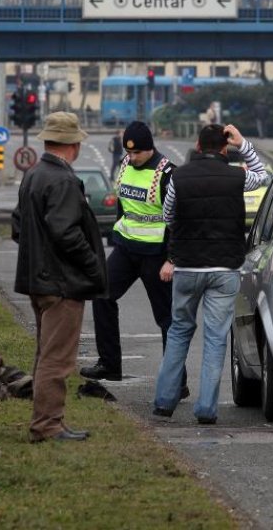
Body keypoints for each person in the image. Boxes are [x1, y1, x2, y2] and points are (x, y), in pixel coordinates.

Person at [153, 124, 269, 424]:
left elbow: (167, 215)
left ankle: (164, 402)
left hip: (187, 267)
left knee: (179, 331)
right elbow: (264, 176)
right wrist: (244, 145)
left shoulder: (179, 176)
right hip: (224, 268)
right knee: (216, 338)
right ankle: (206, 408)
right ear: (224, 148)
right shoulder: (236, 176)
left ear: (197, 145)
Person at [12, 111, 108, 443]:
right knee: (58, 359)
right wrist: (93, 265)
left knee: (46, 353)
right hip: (62, 284)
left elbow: (17, 226)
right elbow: (66, 233)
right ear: (74, 144)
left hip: (38, 281)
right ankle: (47, 426)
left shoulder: (33, 175)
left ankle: (48, 421)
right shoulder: (64, 181)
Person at [80, 121, 188, 398]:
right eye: (129, 152)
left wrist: (172, 259)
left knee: (166, 319)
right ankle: (109, 364)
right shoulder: (126, 165)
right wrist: (114, 236)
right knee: (102, 295)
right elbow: (123, 205)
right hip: (127, 249)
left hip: (157, 254)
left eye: (138, 152)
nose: (133, 157)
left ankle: (177, 380)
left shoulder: (167, 173)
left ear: (149, 148)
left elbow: (179, 221)